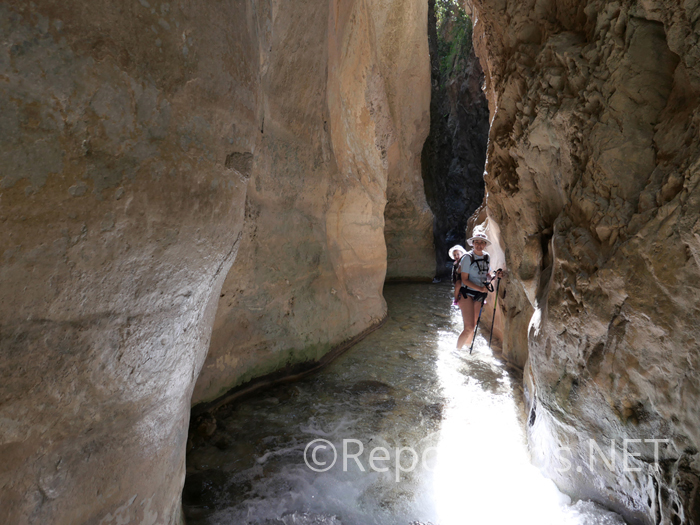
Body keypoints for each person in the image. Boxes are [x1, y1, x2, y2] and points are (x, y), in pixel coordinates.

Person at [455, 232, 503, 349]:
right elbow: (464, 280)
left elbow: (487, 274)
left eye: (482, 242)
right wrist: (481, 288)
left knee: (474, 325)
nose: (479, 245)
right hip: (467, 294)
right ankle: (457, 351)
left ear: (485, 244)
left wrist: (495, 276)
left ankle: (466, 348)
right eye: (477, 242)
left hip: (479, 295)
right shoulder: (467, 258)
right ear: (473, 243)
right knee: (469, 327)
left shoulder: (487, 257)